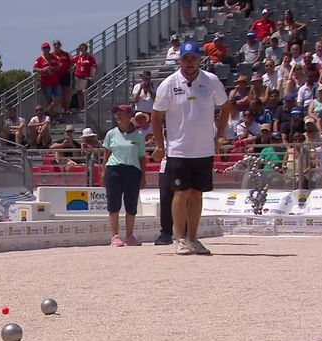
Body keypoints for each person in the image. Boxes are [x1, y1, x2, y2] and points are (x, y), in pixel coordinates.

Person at [151, 40, 230, 255]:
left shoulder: (211, 81)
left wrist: (220, 135)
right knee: (180, 193)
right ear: (180, 60)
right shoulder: (168, 83)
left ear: (199, 60)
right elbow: (156, 116)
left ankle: (193, 238)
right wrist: (160, 145)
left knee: (197, 194)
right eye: (185, 59)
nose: (189, 63)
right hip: (178, 149)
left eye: (193, 58)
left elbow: (226, 106)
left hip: (204, 149)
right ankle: (179, 239)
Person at [101, 104, 146, 247]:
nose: (117, 116)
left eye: (121, 113)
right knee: (114, 203)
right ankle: (115, 235)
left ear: (130, 116)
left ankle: (129, 235)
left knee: (131, 204)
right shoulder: (111, 134)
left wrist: (143, 176)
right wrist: (103, 173)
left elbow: (142, 157)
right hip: (114, 170)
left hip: (132, 171)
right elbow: (106, 154)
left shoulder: (138, 136)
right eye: (116, 114)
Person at [33, 42, 61, 114]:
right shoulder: (40, 59)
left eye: (47, 48)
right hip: (46, 82)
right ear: (42, 49)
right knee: (49, 99)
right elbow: (34, 69)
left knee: (59, 96)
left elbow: (59, 67)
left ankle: (48, 110)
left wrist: (51, 68)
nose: (46, 49)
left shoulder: (53, 57)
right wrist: (43, 69)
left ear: (49, 49)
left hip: (55, 81)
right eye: (44, 48)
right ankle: (50, 115)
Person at [71, 43, 98, 112]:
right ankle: (81, 107)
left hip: (85, 77)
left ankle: (85, 107)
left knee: (84, 92)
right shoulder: (78, 57)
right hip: (78, 76)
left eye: (83, 49)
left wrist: (92, 75)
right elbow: (70, 60)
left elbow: (94, 66)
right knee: (79, 92)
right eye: (80, 49)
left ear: (86, 49)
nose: (82, 51)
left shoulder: (91, 58)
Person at [52, 40, 72, 114]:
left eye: (57, 44)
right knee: (59, 93)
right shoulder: (52, 55)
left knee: (66, 91)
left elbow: (70, 63)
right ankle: (63, 107)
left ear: (60, 45)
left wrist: (67, 69)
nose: (56, 46)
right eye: (54, 44)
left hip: (65, 74)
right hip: (56, 76)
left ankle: (67, 107)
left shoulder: (65, 54)